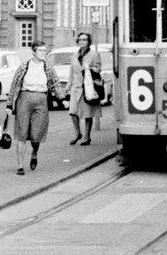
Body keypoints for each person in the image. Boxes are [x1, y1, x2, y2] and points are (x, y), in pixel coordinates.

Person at [6, 41, 61, 175]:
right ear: (33, 52)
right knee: (22, 133)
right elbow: (14, 86)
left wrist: (62, 99)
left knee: (37, 133)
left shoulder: (48, 67)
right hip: (25, 98)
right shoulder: (24, 67)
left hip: (41, 99)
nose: (43, 53)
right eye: (41, 50)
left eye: (44, 50)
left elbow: (55, 84)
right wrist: (9, 105)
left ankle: (35, 151)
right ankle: (20, 165)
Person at [68, 32, 103, 145]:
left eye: (84, 40)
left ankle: (87, 136)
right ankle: (78, 133)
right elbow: (71, 72)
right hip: (76, 87)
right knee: (73, 112)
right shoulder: (74, 56)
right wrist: (68, 86)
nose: (82, 42)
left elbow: (98, 68)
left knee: (88, 113)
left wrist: (90, 68)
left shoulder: (93, 54)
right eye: (80, 40)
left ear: (88, 42)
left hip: (88, 87)